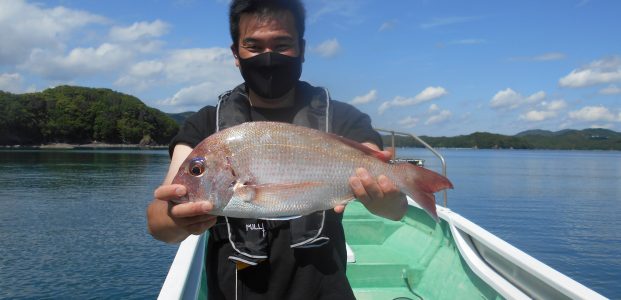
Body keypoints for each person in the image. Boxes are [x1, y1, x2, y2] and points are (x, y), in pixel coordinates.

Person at [146, 0, 407, 298]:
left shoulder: (343, 120)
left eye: (282, 44)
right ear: (236, 53)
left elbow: (396, 209)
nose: (268, 58)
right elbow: (158, 223)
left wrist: (384, 199)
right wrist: (175, 218)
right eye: (254, 46)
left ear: (302, 49)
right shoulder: (206, 124)